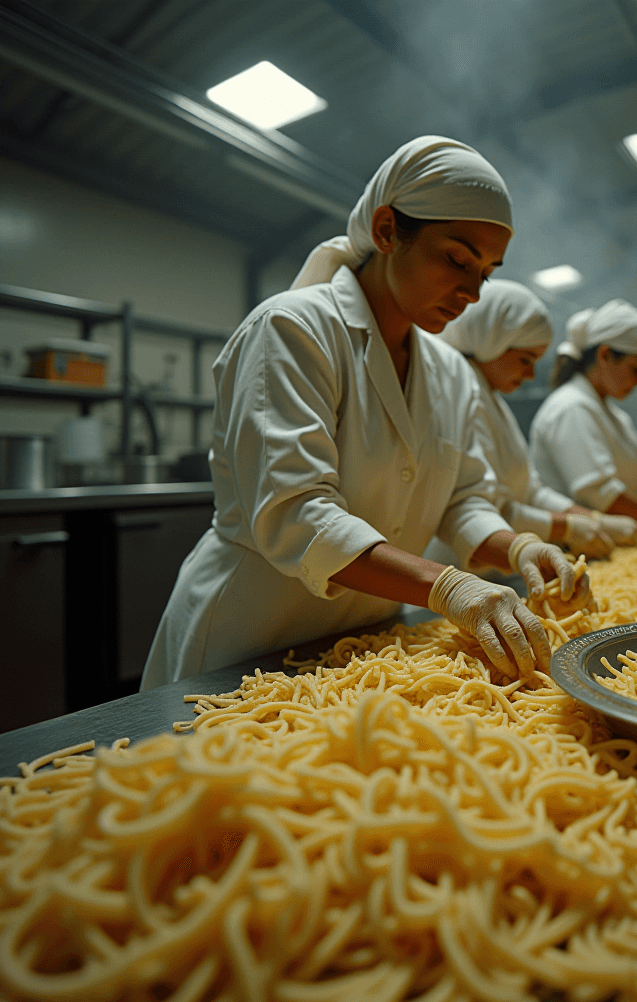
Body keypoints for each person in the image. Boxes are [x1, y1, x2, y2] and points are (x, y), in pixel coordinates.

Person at [141, 136, 587, 691]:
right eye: (457, 259)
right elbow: (296, 510)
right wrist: (447, 586)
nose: (472, 291)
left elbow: (462, 498)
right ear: (385, 231)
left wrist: (516, 546)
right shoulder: (293, 330)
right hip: (250, 642)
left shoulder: (449, 372)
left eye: (488, 271)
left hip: (368, 641)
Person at [437, 279, 637, 561]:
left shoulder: (492, 400)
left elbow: (531, 491)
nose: (530, 376)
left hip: (502, 565)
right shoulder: (458, 395)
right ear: (492, 341)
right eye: (526, 360)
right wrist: (569, 527)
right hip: (464, 565)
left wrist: (590, 521)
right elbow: (486, 508)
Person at [529, 301, 637, 534]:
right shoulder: (570, 407)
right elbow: (601, 494)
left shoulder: (615, 416)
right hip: (577, 551)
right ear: (605, 355)